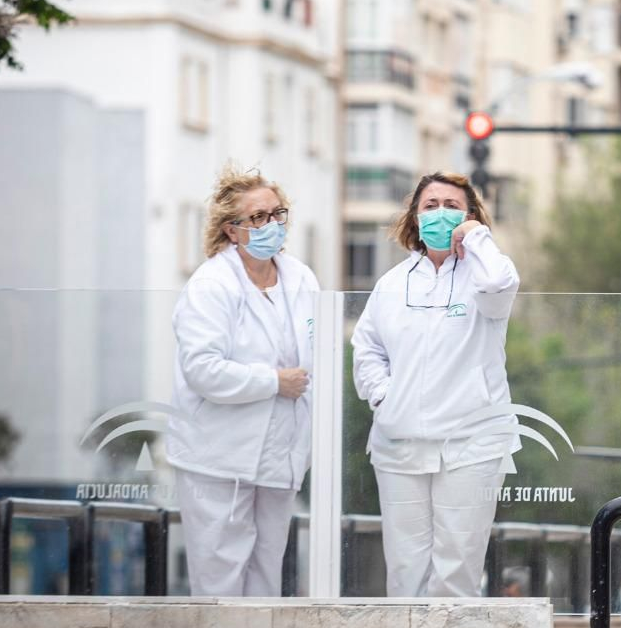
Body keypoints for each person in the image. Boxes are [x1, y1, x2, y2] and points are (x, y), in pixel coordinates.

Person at [352, 171, 521, 597]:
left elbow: (500, 285)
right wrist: (385, 397)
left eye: (452, 206)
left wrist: (476, 239)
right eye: (430, 205)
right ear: (414, 217)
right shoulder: (390, 285)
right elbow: (367, 348)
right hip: (399, 446)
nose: (440, 214)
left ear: (470, 217)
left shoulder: (484, 275)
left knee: (456, 569)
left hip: (471, 446)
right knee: (405, 569)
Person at [168, 166, 317, 596]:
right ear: (231, 231)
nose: (271, 225)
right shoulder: (211, 285)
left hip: (280, 455)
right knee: (220, 580)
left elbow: (315, 358)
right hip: (219, 458)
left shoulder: (301, 278)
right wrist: (273, 382)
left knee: (266, 577)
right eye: (257, 218)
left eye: (277, 214)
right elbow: (202, 369)